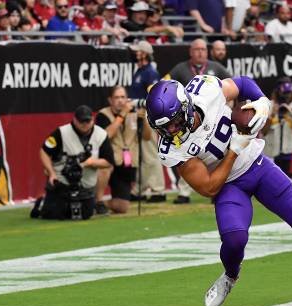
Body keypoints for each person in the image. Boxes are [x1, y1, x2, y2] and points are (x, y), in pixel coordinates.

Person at [146, 76, 292, 306]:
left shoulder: (206, 90)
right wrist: (234, 149)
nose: (170, 130)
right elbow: (209, 187)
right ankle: (230, 275)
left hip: (258, 166)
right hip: (229, 185)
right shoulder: (170, 148)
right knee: (234, 241)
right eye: (163, 127)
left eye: (174, 121)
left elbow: (242, 83)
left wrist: (262, 101)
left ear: (187, 106)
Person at [166, 38, 231, 204]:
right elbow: (165, 85)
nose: (200, 52)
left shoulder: (216, 68)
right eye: (197, 49)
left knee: (214, 152)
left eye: (203, 49)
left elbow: (230, 84)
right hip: (188, 121)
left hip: (213, 118)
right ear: (190, 51)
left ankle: (219, 188)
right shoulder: (180, 69)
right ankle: (184, 192)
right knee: (188, 154)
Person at [33, 105, 113, 220]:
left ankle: (95, 202)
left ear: (93, 119)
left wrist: (91, 162)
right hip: (63, 182)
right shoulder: (61, 132)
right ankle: (43, 203)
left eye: (87, 121)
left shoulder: (101, 134)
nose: (85, 124)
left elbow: (108, 162)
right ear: (74, 119)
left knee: (85, 215)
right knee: (54, 215)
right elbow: (44, 151)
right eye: (81, 121)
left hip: (86, 185)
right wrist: (51, 173)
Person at [95, 86, 152, 214]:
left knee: (122, 207)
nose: (120, 101)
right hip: (109, 162)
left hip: (127, 163)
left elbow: (147, 137)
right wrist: (122, 114)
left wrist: (145, 119)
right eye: (116, 97)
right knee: (105, 168)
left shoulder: (134, 113)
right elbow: (105, 136)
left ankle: (97, 204)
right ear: (110, 100)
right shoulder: (102, 115)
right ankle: (98, 201)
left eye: (123, 97)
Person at [128, 40, 166, 202]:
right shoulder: (141, 71)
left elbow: (155, 98)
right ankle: (140, 189)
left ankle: (158, 190)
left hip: (146, 115)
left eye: (138, 51)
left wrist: (135, 103)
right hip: (137, 115)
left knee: (149, 153)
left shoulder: (150, 73)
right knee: (141, 154)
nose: (135, 53)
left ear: (144, 53)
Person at [262, 78, 292, 175]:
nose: (287, 95)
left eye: (289, 92)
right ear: (277, 91)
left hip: (287, 150)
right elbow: (263, 131)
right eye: (284, 92)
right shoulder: (268, 105)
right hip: (270, 151)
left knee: (285, 178)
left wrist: (291, 112)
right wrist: (272, 114)